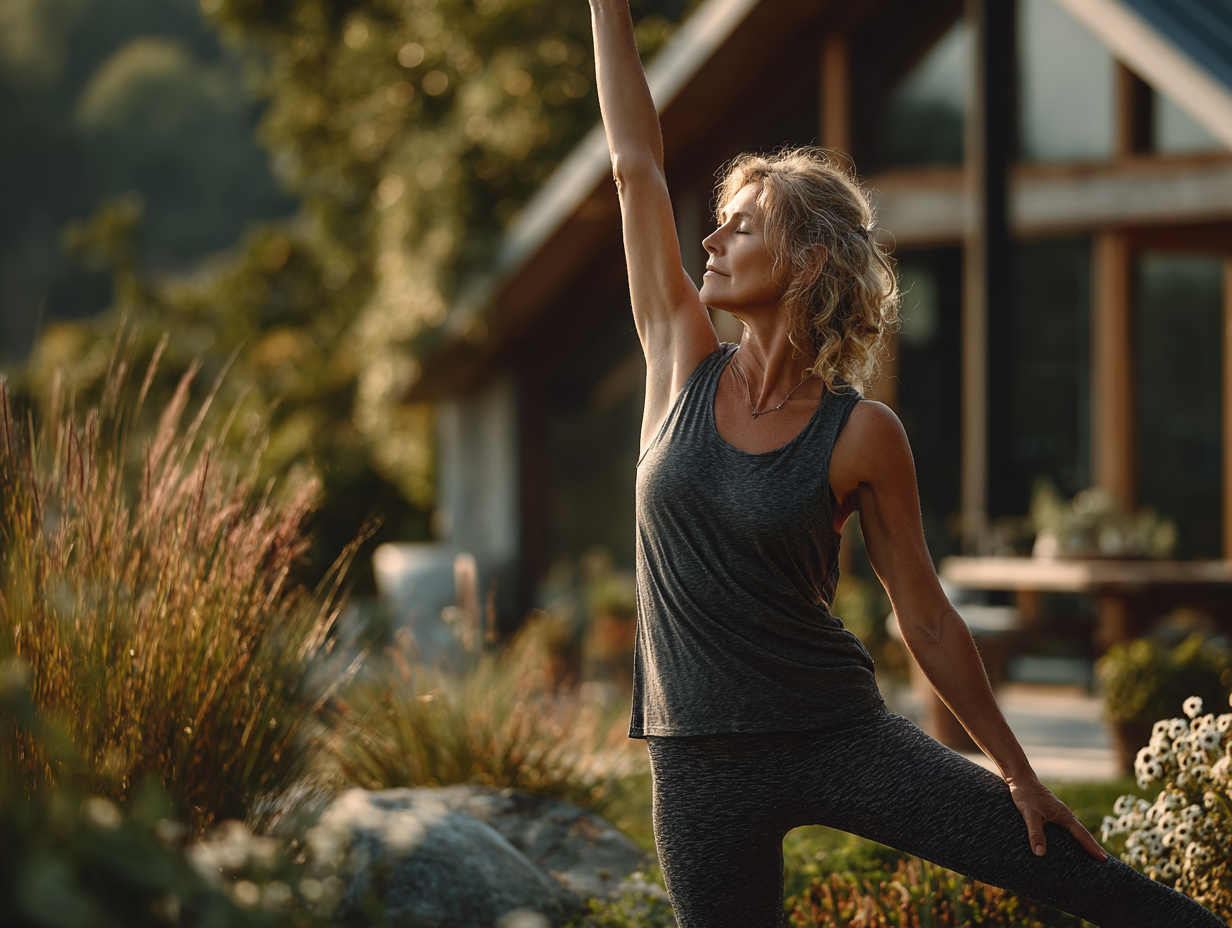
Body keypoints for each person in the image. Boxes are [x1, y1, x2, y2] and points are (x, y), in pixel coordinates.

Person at [587, 2, 1226, 926]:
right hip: (695, 758)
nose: (712, 243)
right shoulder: (677, 355)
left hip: (836, 731)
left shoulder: (860, 432)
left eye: (741, 228)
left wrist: (1020, 774)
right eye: (716, 225)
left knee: (1086, 879)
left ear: (806, 263)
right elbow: (632, 167)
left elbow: (924, 618)